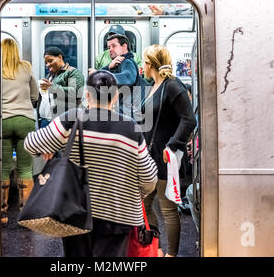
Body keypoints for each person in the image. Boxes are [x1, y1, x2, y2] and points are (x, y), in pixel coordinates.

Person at [24, 71, 158, 257]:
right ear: (116, 96)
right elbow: (149, 178)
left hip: (75, 211)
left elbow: (31, 144)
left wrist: (50, 146)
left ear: (87, 94)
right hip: (119, 215)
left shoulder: (74, 118)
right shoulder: (131, 128)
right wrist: (135, 195)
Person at [140, 44, 197, 257]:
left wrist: (172, 144)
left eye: (144, 62)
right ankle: (158, 248)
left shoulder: (173, 85)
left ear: (152, 64)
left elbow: (189, 119)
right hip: (151, 156)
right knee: (144, 204)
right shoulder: (155, 85)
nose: (141, 66)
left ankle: (171, 254)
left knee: (167, 208)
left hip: (166, 156)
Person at [1, 38, 39, 226]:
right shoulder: (26, 67)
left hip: (3, 121)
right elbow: (35, 95)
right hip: (25, 120)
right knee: (25, 168)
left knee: (4, 168)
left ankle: (2, 213)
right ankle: (26, 215)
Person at [89, 34, 139, 118]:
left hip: (126, 112)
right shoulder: (117, 63)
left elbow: (128, 78)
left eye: (114, 46)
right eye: (109, 47)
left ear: (124, 46)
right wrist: (109, 67)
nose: (110, 50)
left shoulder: (127, 62)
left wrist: (100, 75)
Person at [38, 46, 85, 128]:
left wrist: (52, 87)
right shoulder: (50, 76)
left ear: (60, 57)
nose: (48, 65)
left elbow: (75, 92)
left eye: (50, 61)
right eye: (46, 63)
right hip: (48, 119)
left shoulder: (72, 73)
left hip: (66, 120)